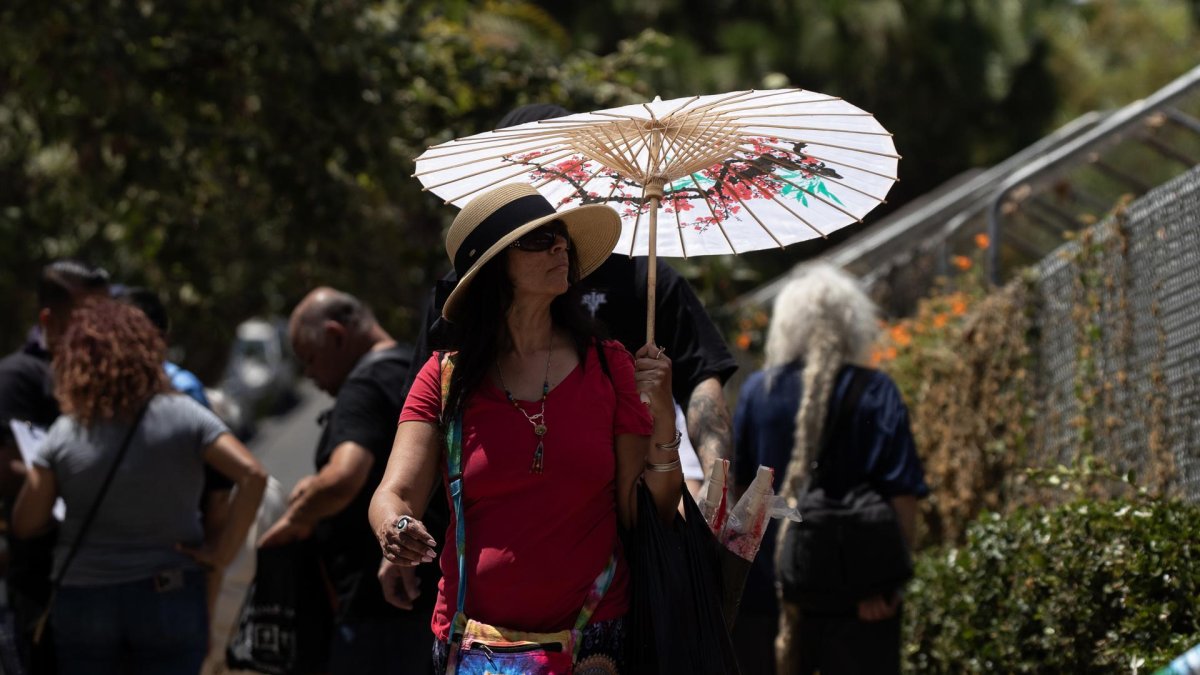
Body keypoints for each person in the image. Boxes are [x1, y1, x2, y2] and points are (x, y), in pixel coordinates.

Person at [369, 182, 683, 671]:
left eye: (561, 238)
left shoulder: (611, 365)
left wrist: (663, 416)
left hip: (593, 644)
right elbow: (393, 493)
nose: (560, 246)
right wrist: (394, 526)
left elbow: (643, 511)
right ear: (494, 269)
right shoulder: (444, 377)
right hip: (474, 647)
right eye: (538, 240)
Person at [408, 103, 737, 496]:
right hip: (480, 517)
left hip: (613, 514)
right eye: (529, 166)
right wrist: (403, 523)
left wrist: (717, 488)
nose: (548, 180)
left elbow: (700, 377)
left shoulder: (639, 277)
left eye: (562, 164)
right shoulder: (464, 294)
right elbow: (425, 422)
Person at [10, 297, 267, 674]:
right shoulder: (184, 415)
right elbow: (253, 475)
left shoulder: (66, 433)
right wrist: (222, 552)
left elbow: (25, 522)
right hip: (170, 593)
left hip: (86, 599)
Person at [731, 263, 928, 675]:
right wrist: (887, 581)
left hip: (775, 597)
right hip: (860, 603)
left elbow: (750, 499)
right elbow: (902, 497)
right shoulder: (876, 390)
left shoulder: (757, 392)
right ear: (854, 323)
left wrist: (792, 523)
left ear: (786, 326)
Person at [256, 287, 438, 674]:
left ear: (338, 336)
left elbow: (344, 476)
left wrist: (292, 522)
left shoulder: (362, 386)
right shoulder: (417, 367)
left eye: (310, 359)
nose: (309, 375)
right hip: (427, 600)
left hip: (376, 611)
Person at [0, 260, 109, 673]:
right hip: (44, 587)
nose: (99, 331)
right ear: (49, 319)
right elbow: (9, 470)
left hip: (109, 579)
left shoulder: (112, 376)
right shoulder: (18, 379)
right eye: (85, 319)